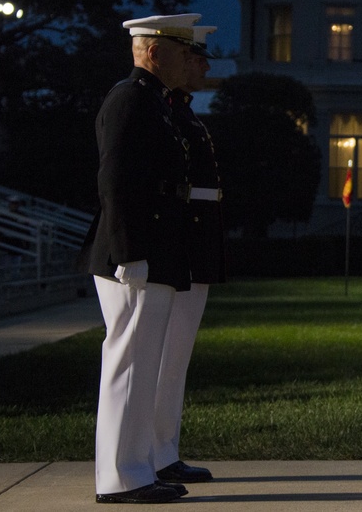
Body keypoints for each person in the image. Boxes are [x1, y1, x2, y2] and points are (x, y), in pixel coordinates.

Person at [79, 13, 200, 504]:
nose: (188, 60)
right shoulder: (130, 98)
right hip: (135, 252)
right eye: (180, 50)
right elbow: (115, 181)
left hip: (152, 248)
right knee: (129, 364)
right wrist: (129, 252)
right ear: (153, 52)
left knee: (140, 365)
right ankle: (122, 478)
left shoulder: (152, 102)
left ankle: (135, 468)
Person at [152, 24, 226, 486]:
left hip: (193, 240)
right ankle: (149, 454)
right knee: (159, 357)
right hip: (175, 240)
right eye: (195, 58)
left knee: (174, 359)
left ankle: (163, 451)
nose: (202, 67)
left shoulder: (181, 111)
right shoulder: (161, 110)